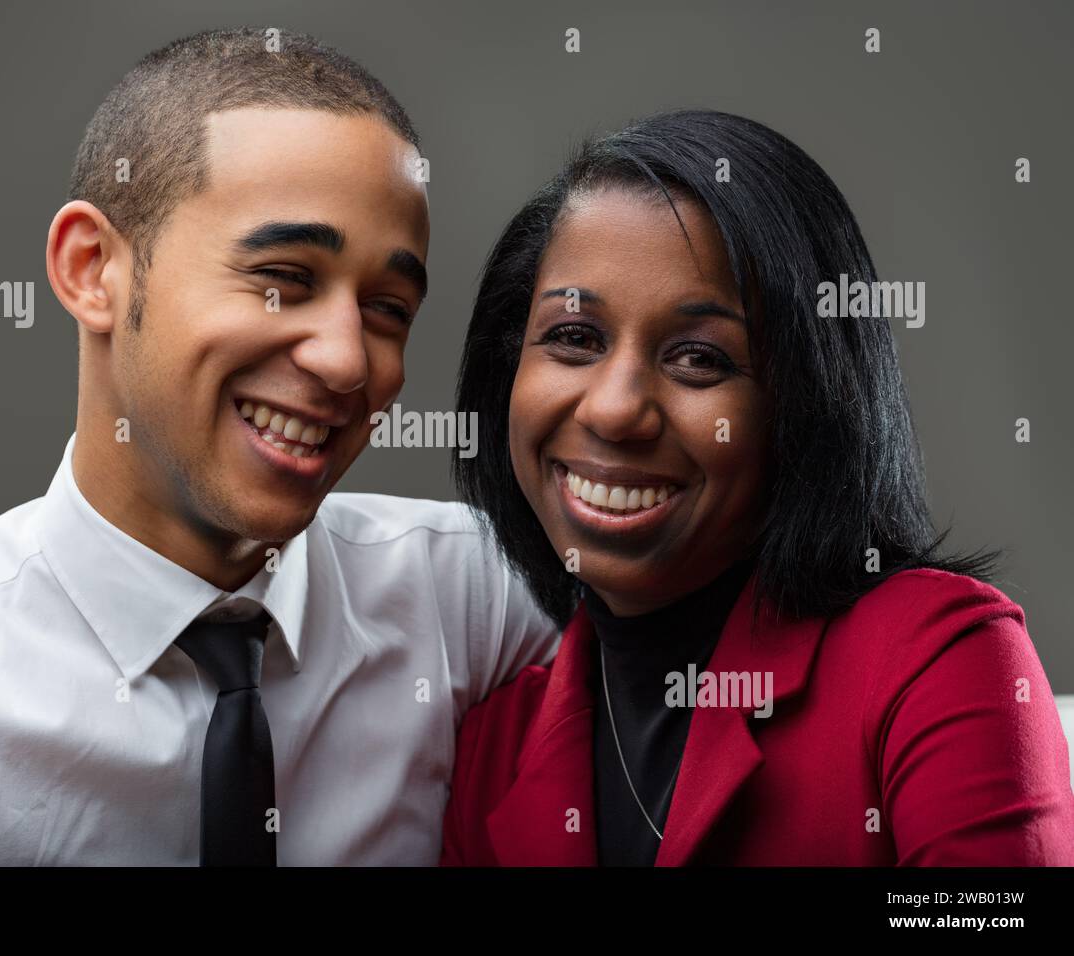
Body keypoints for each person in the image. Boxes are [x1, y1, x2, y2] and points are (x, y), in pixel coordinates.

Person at [0, 27, 559, 866]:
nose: (346, 359)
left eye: (388, 308)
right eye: (282, 279)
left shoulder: (472, 601)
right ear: (92, 270)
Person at [440, 109, 1074, 866]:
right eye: (575, 338)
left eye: (700, 359)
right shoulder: (492, 745)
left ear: (803, 403)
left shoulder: (937, 660)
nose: (614, 410)